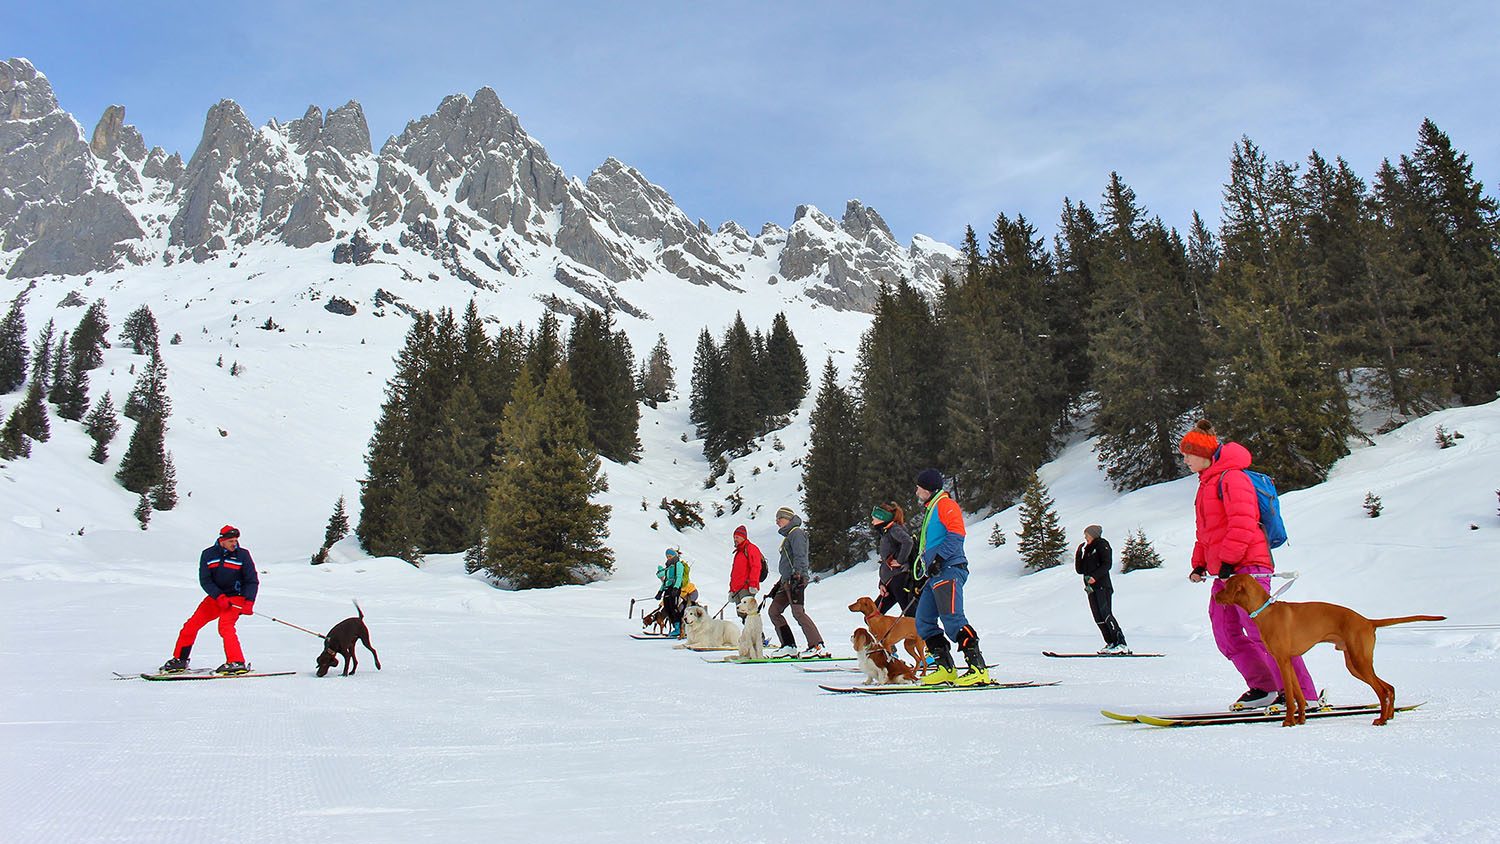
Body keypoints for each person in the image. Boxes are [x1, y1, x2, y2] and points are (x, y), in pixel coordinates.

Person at [1180, 419, 1318, 710]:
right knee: (1225, 632)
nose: (1185, 459)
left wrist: (1229, 559)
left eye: (1188, 454)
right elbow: (1205, 532)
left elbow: (1243, 523)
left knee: (1265, 632)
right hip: (1225, 572)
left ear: (1204, 453)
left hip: (1249, 567)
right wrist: (1200, 564)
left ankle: (1301, 693)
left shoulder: (1233, 478)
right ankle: (1265, 686)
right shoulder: (1206, 485)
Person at [911, 469, 989, 686]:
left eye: (919, 487)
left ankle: (978, 668)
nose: (916, 491)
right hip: (934, 574)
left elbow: (957, 533)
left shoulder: (945, 504)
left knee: (953, 619)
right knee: (924, 621)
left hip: (949, 569)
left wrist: (939, 558)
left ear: (928, 488)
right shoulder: (932, 508)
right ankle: (946, 668)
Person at [159, 525, 259, 675]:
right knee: (191, 625)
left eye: (236, 540)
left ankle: (236, 662)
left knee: (225, 626)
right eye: (231, 540)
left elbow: (252, 580)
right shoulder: (208, 554)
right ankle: (180, 659)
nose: (234, 544)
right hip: (216, 597)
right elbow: (205, 580)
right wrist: (218, 596)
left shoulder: (243, 555)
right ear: (222, 540)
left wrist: (249, 602)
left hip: (236, 599)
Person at [766, 507, 826, 658]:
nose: (777, 522)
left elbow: (800, 556)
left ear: (787, 519)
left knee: (798, 612)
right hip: (786, 581)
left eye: (779, 518)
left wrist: (798, 576)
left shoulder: (796, 533)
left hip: (795, 580)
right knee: (774, 611)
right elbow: (789, 562)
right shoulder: (790, 535)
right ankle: (788, 645)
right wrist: (778, 585)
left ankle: (817, 645)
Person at [1075, 524, 1129, 654]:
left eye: (1087, 535)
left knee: (1105, 614)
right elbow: (1080, 570)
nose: (1085, 537)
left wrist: (1095, 576)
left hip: (1102, 586)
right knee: (1098, 617)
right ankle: (1110, 642)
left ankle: (1121, 643)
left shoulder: (1102, 544)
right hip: (1091, 588)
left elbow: (1107, 564)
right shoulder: (1087, 550)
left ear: (1093, 534)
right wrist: (1078, 555)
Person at [870, 503, 918, 616]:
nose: (872, 522)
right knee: (873, 615)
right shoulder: (886, 532)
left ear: (882, 518)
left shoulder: (894, 529)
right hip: (890, 582)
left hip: (899, 579)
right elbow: (886, 561)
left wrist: (900, 560)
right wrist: (882, 583)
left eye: (874, 518)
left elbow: (908, 541)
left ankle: (922, 633)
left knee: (911, 615)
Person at [728, 524, 765, 621]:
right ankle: (751, 635)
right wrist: (731, 590)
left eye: (737, 537)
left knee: (749, 614)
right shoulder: (738, 552)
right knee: (742, 614)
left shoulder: (750, 548)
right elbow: (734, 573)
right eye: (734, 537)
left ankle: (758, 635)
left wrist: (753, 584)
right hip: (737, 589)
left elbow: (756, 566)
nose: (735, 539)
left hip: (746, 587)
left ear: (743, 537)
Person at [654, 548, 688, 638]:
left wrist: (676, 588)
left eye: (670, 556)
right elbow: (666, 580)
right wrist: (660, 591)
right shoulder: (669, 567)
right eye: (667, 556)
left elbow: (679, 577)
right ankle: (675, 627)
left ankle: (678, 628)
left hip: (675, 588)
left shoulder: (678, 564)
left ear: (675, 556)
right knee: (668, 608)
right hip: (668, 588)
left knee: (673, 607)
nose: (668, 558)